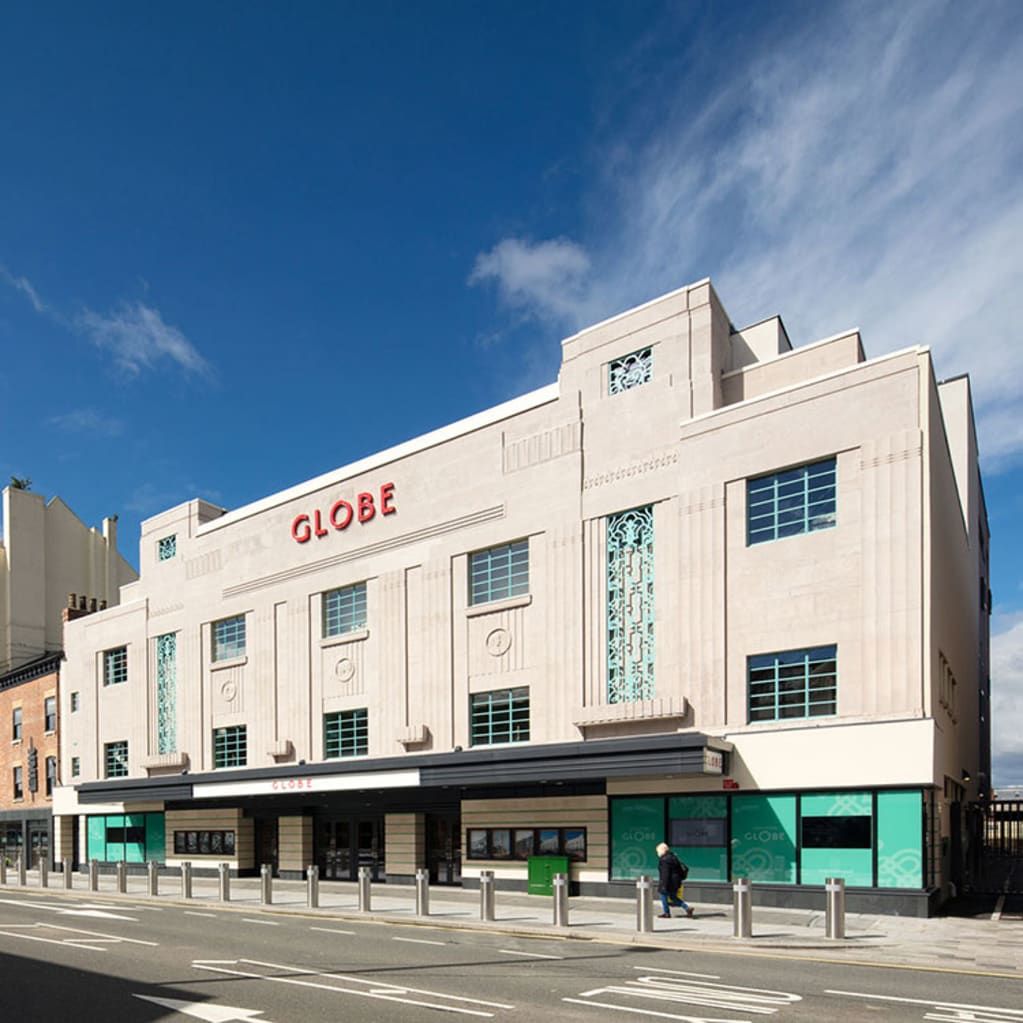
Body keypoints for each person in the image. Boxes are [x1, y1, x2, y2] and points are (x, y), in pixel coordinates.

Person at [656, 841, 694, 918]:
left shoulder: (664, 860)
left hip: (668, 882)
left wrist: (663, 885)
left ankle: (666, 913)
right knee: (673, 897)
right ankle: (687, 908)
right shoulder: (673, 857)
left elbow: (665, 874)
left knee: (663, 895)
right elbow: (679, 870)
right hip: (676, 882)